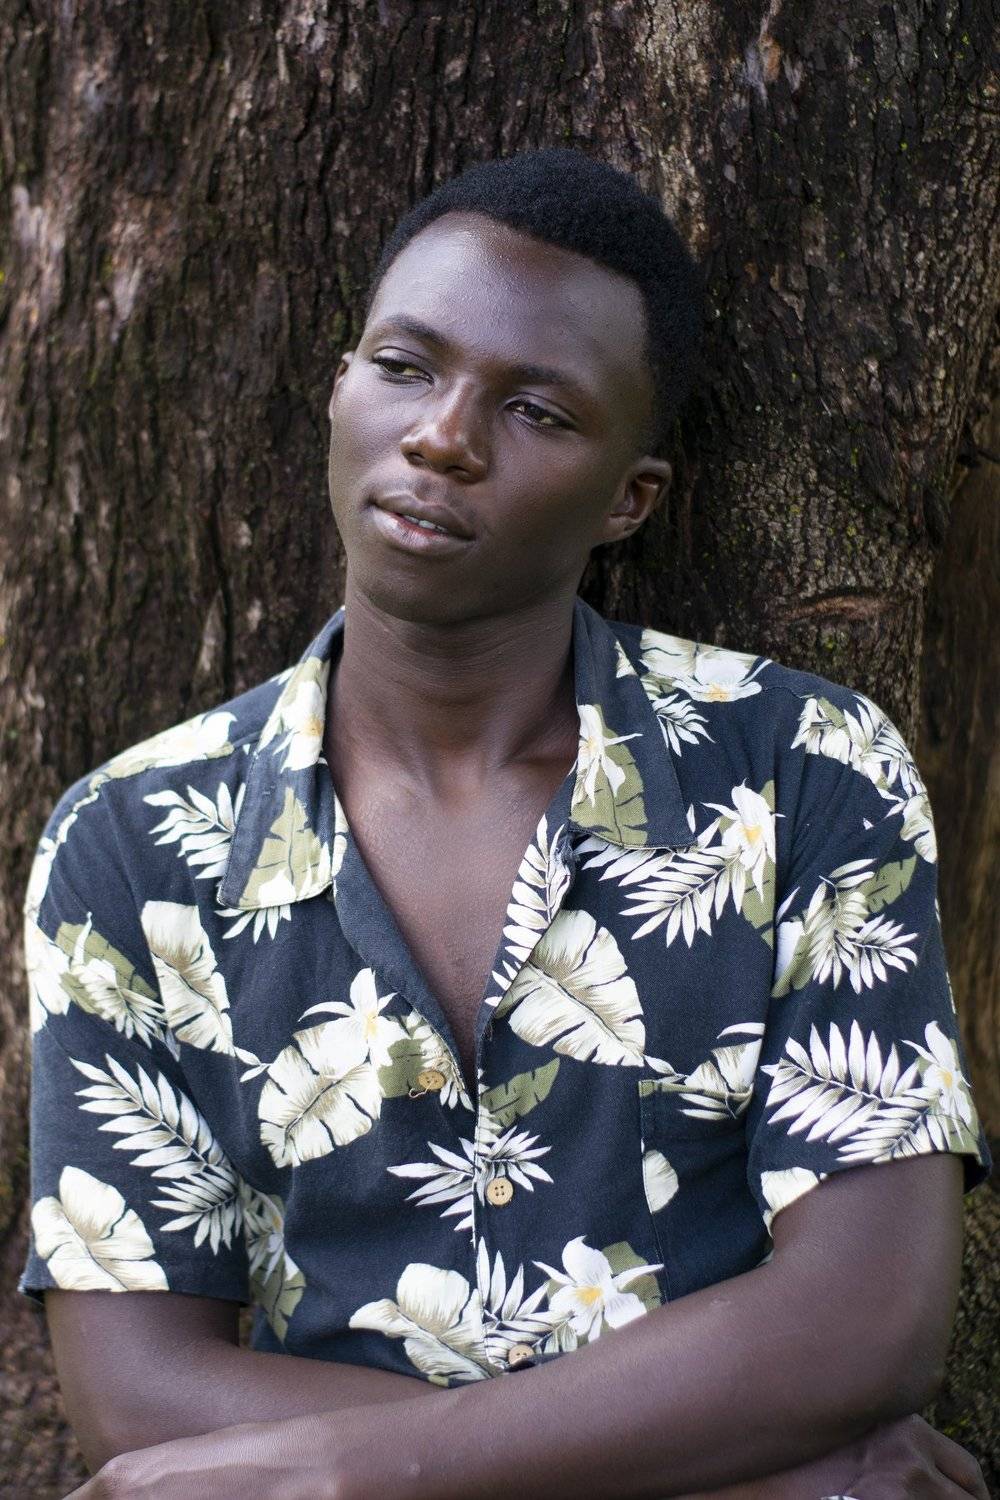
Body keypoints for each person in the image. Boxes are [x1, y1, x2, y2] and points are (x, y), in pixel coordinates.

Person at [21, 149, 990, 1499]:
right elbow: (137, 1399)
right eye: (403, 367)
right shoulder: (133, 840)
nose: (443, 437)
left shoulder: (802, 769)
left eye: (535, 409)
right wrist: (749, 1470)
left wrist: (347, 1475)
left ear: (629, 497)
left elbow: (868, 1320)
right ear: (341, 390)